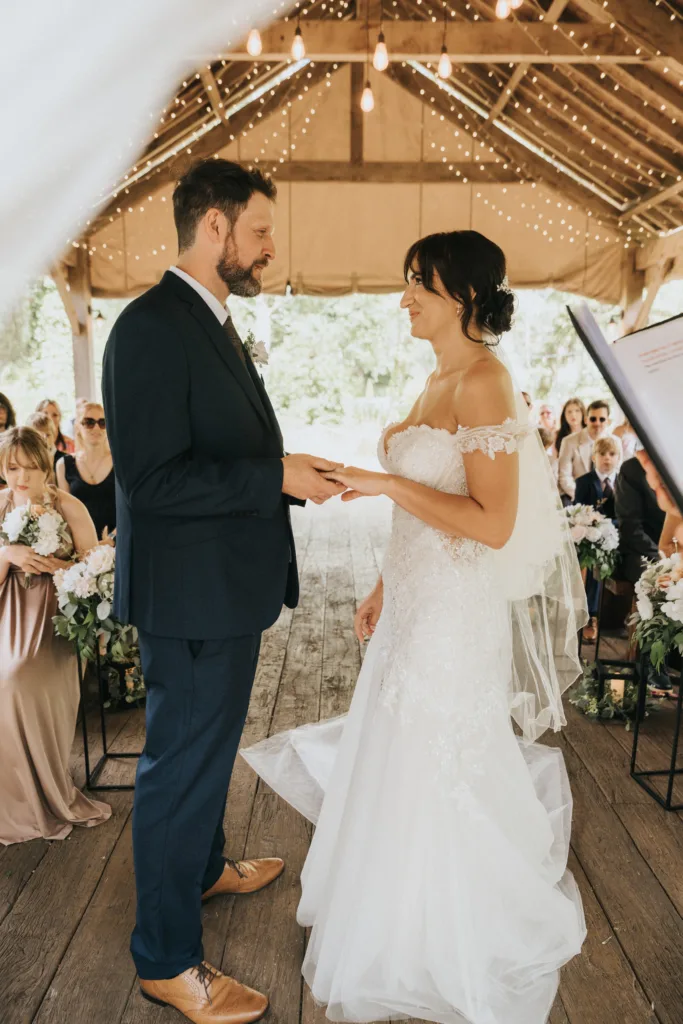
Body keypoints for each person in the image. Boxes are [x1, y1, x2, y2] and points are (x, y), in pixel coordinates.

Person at [243, 230, 588, 1024]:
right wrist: (381, 584)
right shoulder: (436, 377)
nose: (403, 299)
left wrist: (380, 483)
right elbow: (424, 517)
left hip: (454, 618)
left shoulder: (484, 380)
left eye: (417, 287)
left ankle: (446, 930)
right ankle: (392, 909)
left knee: (438, 751)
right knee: (396, 748)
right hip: (412, 605)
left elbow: (492, 524)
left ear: (464, 297)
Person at [102, 158, 344, 1024]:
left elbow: (214, 449)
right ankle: (166, 961)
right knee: (177, 771)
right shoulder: (149, 327)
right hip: (189, 599)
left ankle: (201, 871)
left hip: (219, 592)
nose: (270, 246)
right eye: (260, 229)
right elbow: (153, 481)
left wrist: (285, 473)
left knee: (202, 758)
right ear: (214, 226)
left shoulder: (207, 319)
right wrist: (271, 475)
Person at [0, 427, 111, 845]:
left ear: (46, 465)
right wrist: (8, 555)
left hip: (57, 619)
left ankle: (45, 792)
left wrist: (56, 566)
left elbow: (94, 569)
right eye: (13, 469)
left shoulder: (67, 504)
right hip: (7, 613)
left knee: (15, 679)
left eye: (30, 467)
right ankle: (13, 799)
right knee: (5, 678)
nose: (21, 478)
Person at [574, 436, 620, 642]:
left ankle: (614, 617)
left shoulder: (621, 483)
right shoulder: (584, 482)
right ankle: (591, 615)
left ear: (618, 458)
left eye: (612, 454)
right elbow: (577, 511)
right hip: (589, 537)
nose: (607, 458)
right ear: (594, 457)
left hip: (615, 536)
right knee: (593, 568)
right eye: (602, 454)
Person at [56, 401, 116, 541]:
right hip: (80, 544)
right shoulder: (64, 465)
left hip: (117, 541)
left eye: (102, 422)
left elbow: (128, 508)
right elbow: (65, 513)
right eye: (89, 422)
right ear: (78, 426)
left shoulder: (119, 462)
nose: (96, 427)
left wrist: (111, 538)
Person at [615, 453, 666, 585]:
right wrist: (663, 559)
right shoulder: (632, 469)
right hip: (642, 552)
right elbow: (630, 528)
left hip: (675, 550)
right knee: (664, 581)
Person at [558, 399, 618, 503]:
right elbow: (564, 476)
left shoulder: (616, 442)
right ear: (586, 420)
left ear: (608, 421)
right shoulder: (569, 441)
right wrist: (583, 497)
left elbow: (617, 474)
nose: (597, 423)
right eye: (593, 419)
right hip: (578, 498)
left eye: (602, 419)